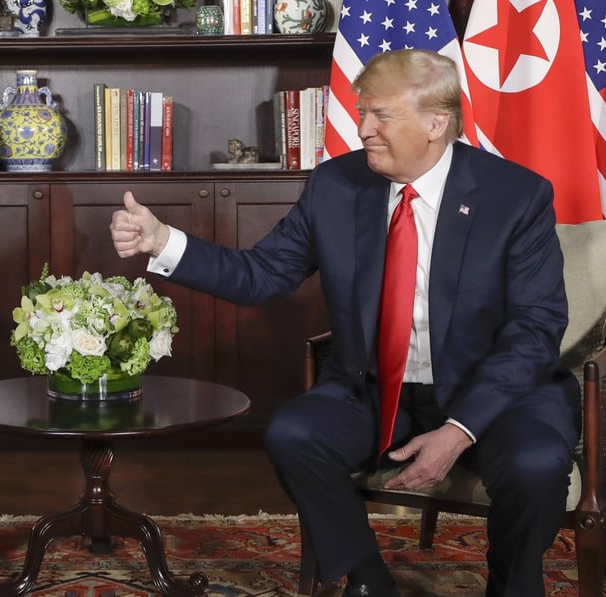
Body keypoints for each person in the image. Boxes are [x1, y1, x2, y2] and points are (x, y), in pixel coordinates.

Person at [110, 49, 579, 597]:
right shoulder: (336, 185)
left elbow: (536, 327)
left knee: (537, 464)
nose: (363, 129)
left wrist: (459, 430)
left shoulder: (515, 195)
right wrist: (163, 241)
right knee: (294, 432)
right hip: (376, 391)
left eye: (381, 115)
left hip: (494, 395)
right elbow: (260, 274)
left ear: (436, 123)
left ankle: (514, 585)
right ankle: (368, 579)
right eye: (362, 113)